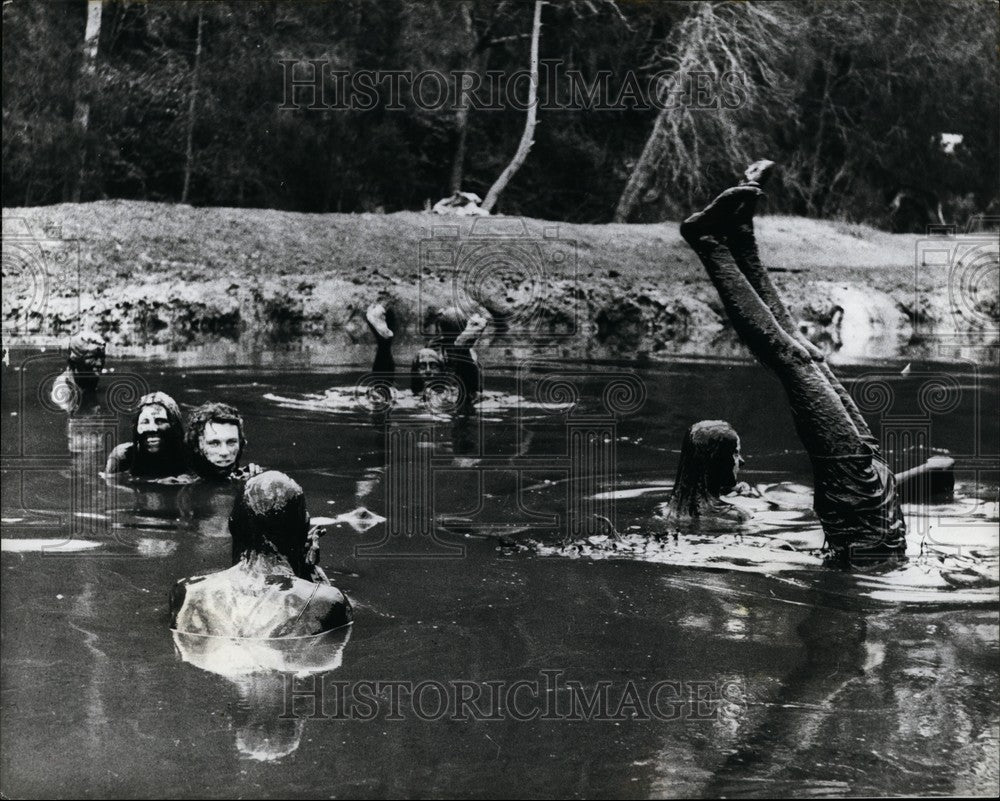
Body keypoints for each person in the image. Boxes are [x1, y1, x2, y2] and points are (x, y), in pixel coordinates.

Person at [679, 160, 906, 565]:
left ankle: (726, 240)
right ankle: (720, 240)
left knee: (798, 355)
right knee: (799, 356)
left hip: (862, 492)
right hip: (863, 492)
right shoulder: (860, 559)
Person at [169, 471, 353, 637]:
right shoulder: (327, 600)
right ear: (305, 527)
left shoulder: (187, 591)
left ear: (232, 525)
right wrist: (314, 576)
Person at [365, 300, 501, 406]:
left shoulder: (433, 345)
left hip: (429, 386)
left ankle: (383, 343)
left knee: (382, 392)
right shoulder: (457, 355)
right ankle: (462, 348)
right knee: (468, 395)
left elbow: (418, 370)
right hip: (449, 385)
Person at [661, 420, 752, 523]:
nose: (741, 461)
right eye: (735, 453)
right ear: (717, 462)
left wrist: (732, 489)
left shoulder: (670, 509)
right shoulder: (737, 516)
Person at [105, 391, 190, 480]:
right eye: (145, 422)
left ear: (174, 426)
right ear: (136, 427)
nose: (152, 428)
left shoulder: (189, 455)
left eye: (160, 421)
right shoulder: (123, 457)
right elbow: (110, 485)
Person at [184, 401, 261, 481]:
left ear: (240, 443)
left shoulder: (248, 477)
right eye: (214, 443)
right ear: (198, 445)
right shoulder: (177, 484)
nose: (225, 452)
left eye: (231, 442)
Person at [50, 332, 106, 413]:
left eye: (102, 357)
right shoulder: (62, 392)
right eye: (92, 357)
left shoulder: (88, 379)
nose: (100, 363)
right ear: (75, 362)